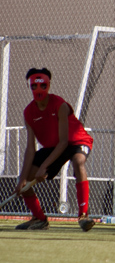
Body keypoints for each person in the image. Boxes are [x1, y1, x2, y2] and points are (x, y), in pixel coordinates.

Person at [13, 68, 95, 231]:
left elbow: (64, 142)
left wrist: (44, 167)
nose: (38, 90)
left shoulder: (60, 105)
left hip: (76, 141)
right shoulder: (29, 112)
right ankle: (40, 219)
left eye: (43, 85)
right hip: (53, 147)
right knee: (25, 179)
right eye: (34, 86)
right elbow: (30, 148)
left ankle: (83, 215)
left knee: (79, 162)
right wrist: (22, 178)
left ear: (48, 86)